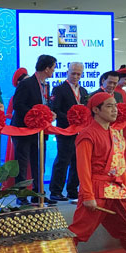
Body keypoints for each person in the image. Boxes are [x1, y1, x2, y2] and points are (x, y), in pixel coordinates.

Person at [67, 93, 126, 253]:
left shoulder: (116, 134)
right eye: (109, 106)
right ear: (96, 109)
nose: (114, 110)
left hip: (117, 189)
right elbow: (83, 168)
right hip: (96, 189)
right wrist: (87, 195)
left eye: (115, 106)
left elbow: (120, 167)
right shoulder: (87, 134)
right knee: (79, 231)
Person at [11, 55, 56, 198]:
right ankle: (21, 196)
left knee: (39, 163)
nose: (54, 71)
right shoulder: (27, 83)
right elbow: (18, 105)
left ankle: (39, 193)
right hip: (23, 129)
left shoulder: (46, 85)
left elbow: (45, 104)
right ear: (47, 68)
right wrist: (35, 114)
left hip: (40, 131)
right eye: (53, 68)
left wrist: (49, 112)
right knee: (22, 164)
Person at [49, 62, 88, 202]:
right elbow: (55, 109)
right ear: (67, 72)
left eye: (78, 74)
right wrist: (71, 119)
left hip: (80, 132)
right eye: (73, 73)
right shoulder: (59, 89)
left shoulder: (83, 91)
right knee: (63, 160)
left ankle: (72, 190)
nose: (76, 76)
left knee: (78, 161)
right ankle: (56, 191)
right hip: (65, 130)